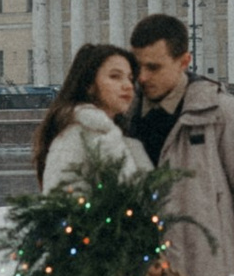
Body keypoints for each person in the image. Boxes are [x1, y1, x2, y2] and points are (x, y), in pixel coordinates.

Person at [126, 13, 234, 276]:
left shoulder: (221, 113)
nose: (142, 78)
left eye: (153, 67)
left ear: (184, 62)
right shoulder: (123, 119)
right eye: (137, 67)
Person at [33, 41, 153, 194]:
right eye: (115, 76)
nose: (128, 85)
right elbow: (61, 207)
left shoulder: (123, 137)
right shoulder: (74, 138)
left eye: (130, 78)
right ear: (89, 85)